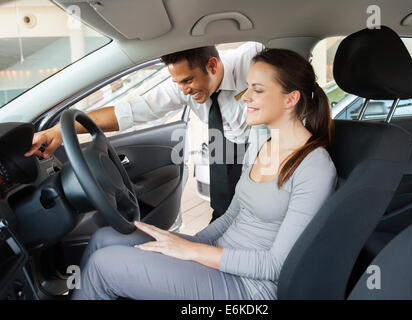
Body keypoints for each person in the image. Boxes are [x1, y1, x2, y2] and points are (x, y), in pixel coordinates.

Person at [70, 48, 337, 300]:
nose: (245, 97)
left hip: (250, 286)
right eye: (247, 87)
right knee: (104, 238)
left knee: (103, 265)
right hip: (218, 256)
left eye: (257, 90)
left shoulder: (314, 166)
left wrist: (191, 251)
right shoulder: (261, 143)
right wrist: (188, 242)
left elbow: (277, 265)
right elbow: (233, 214)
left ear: (291, 99)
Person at [25, 42, 264, 222]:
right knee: (224, 215)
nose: (182, 90)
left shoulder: (253, 57)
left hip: (264, 148)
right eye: (177, 82)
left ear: (212, 65)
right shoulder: (180, 89)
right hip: (226, 147)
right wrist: (59, 130)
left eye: (187, 81)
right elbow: (129, 111)